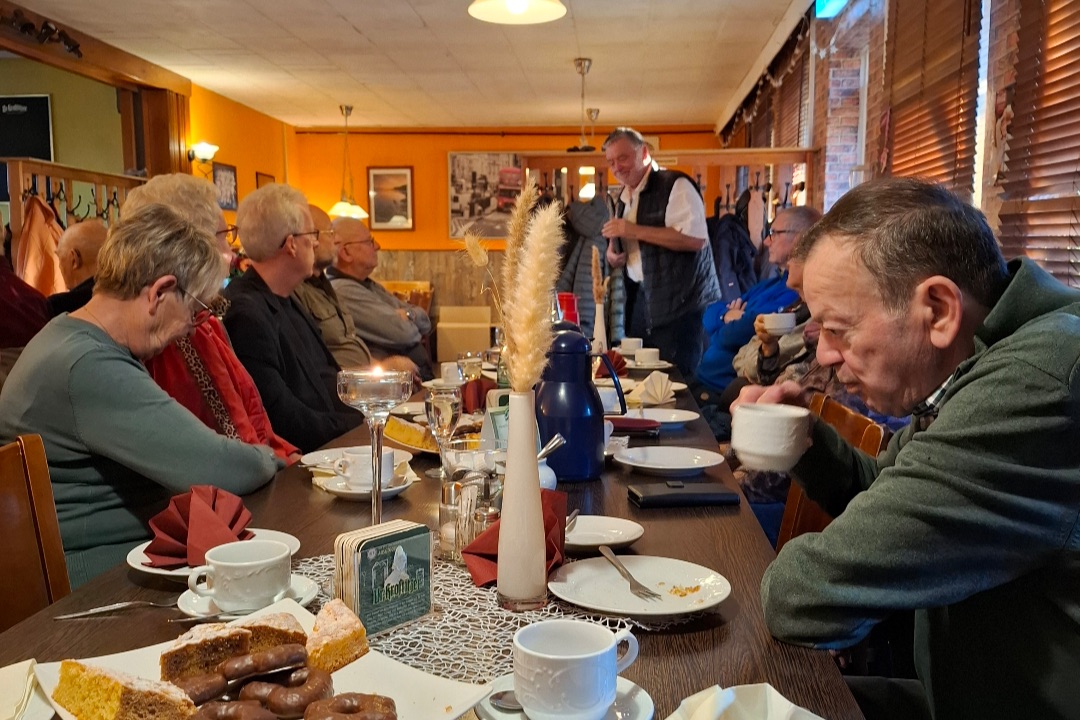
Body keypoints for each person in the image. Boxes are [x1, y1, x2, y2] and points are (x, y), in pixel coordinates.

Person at [739, 178, 1080, 719]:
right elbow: (882, 492)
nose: (823, 356)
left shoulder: (1038, 382)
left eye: (838, 330)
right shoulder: (979, 356)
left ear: (938, 309)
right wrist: (802, 439)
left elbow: (800, 596)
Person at [0, 204, 280, 588]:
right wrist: (270, 456)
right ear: (160, 292)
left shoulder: (70, 338)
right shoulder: (87, 365)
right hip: (95, 584)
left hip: (113, 563)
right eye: (195, 311)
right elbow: (219, 466)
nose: (191, 329)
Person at [124, 174, 298, 462]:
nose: (230, 253)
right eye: (224, 235)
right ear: (192, 246)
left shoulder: (203, 321)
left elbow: (255, 430)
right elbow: (229, 450)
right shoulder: (169, 336)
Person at [223, 184, 363, 453]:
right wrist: (360, 425)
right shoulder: (246, 315)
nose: (316, 243)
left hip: (337, 442)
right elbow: (284, 420)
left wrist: (380, 404)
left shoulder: (286, 296)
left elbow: (327, 379)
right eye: (312, 234)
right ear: (291, 245)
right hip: (308, 460)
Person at [601, 127, 721, 376]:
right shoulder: (622, 197)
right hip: (639, 300)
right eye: (611, 162)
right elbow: (633, 251)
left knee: (675, 378)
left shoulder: (675, 185)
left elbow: (695, 240)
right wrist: (613, 256)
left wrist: (633, 230)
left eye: (623, 158)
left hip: (680, 303)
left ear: (644, 153)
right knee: (641, 375)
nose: (616, 167)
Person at [293, 206, 419, 378]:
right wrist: (386, 370)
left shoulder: (324, 287)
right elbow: (320, 367)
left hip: (370, 382)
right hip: (353, 387)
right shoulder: (328, 289)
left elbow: (350, 346)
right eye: (330, 232)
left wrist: (384, 369)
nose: (336, 240)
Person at [326, 218, 434, 380]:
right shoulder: (343, 291)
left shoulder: (368, 284)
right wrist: (408, 317)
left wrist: (409, 315)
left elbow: (425, 321)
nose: (377, 246)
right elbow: (405, 334)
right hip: (395, 384)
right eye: (369, 242)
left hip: (413, 379)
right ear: (346, 253)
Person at [46, 220, 107, 316]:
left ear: (74, 259)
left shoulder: (57, 307)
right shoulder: (127, 296)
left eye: (60, 258)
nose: (59, 266)